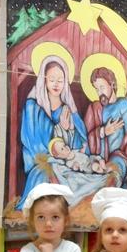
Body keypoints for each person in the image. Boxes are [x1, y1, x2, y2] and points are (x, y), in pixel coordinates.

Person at [17, 56, 89, 209]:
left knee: (83, 180)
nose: (56, 84)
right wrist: (59, 128)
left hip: (66, 161)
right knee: (44, 177)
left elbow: (77, 145)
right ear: (44, 80)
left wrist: (68, 130)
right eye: (52, 79)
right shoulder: (33, 106)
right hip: (43, 161)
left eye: (60, 80)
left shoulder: (67, 109)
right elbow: (33, 141)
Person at [84, 67, 127, 189]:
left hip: (119, 158)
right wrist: (103, 131)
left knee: (110, 179)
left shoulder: (124, 105)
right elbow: (86, 138)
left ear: (112, 84)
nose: (100, 93)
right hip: (97, 160)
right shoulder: (94, 108)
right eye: (96, 89)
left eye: (102, 87)